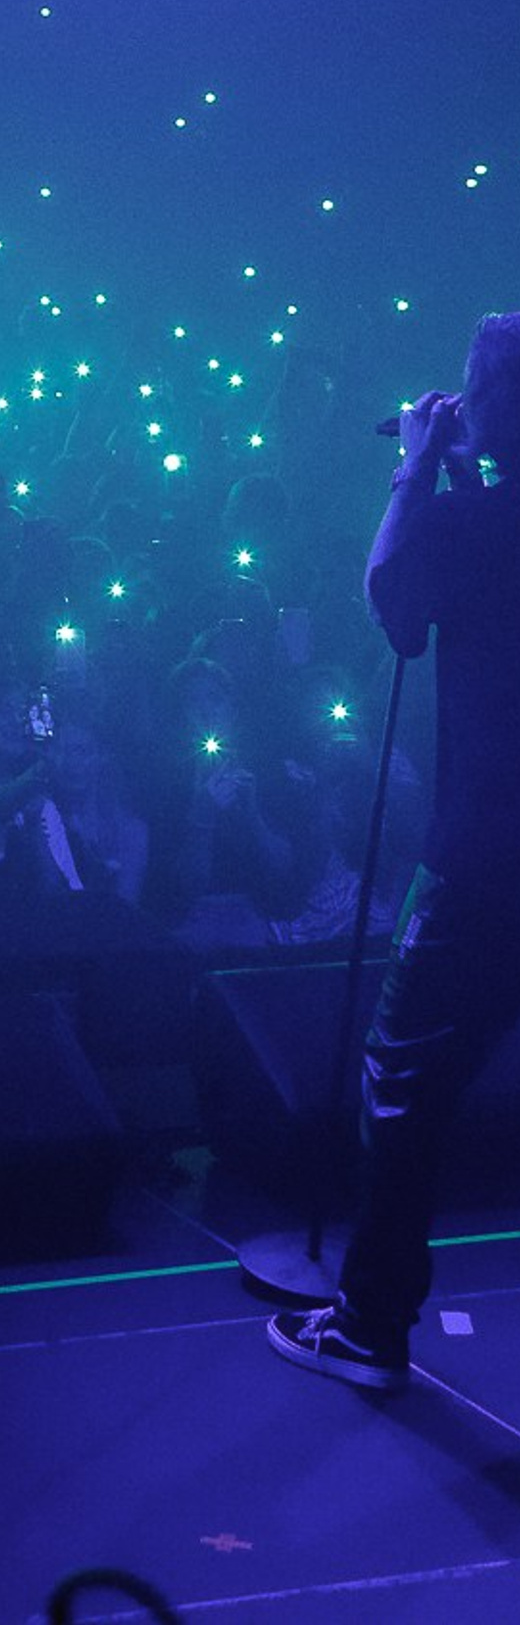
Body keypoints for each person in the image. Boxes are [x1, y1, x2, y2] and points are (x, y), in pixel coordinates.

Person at [270, 313, 520, 1392]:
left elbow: (392, 602)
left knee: (403, 1073)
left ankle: (370, 1325)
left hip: (488, 853)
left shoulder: (474, 524)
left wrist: (416, 468)